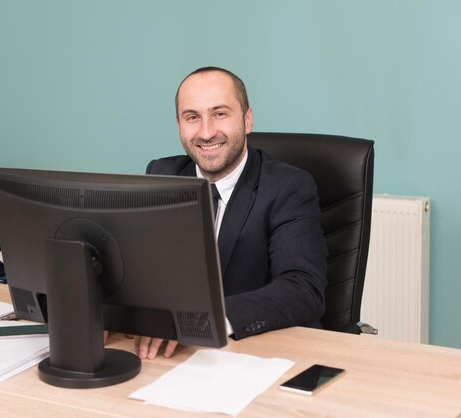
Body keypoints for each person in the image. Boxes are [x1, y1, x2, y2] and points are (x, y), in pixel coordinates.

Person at [134, 67, 328, 359]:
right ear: (179, 125)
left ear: (247, 119)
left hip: (260, 355)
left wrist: (200, 320)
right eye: (192, 117)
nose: (206, 131)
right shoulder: (162, 176)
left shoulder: (288, 187)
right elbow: (138, 270)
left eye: (220, 114)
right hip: (175, 356)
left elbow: (303, 289)